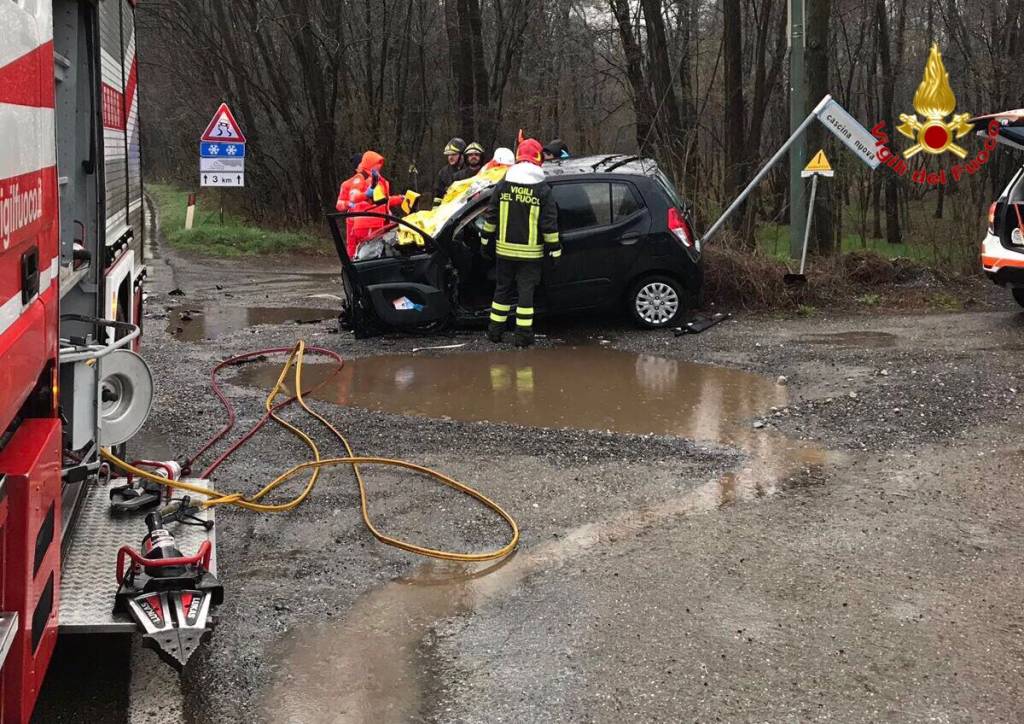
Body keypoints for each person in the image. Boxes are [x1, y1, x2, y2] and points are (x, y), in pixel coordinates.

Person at [480, 138, 561, 347]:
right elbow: (549, 224)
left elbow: (491, 216)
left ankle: (495, 332)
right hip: (530, 254)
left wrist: (485, 241)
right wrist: (555, 249)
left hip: (504, 252)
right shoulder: (542, 189)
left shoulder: (503, 185)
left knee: (502, 291)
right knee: (526, 295)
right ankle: (523, 336)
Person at [335, 150, 405, 259]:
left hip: (371, 220)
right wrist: (350, 203)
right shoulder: (351, 182)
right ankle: (352, 266)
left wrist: (399, 199)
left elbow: (382, 200)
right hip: (356, 220)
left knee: (372, 248)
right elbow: (340, 204)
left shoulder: (374, 180)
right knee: (356, 249)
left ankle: (356, 265)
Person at [434, 137, 466, 204]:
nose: (450, 157)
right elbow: (438, 196)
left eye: (454, 154)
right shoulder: (443, 173)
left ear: (462, 155)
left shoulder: (470, 170)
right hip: (449, 208)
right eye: (448, 155)